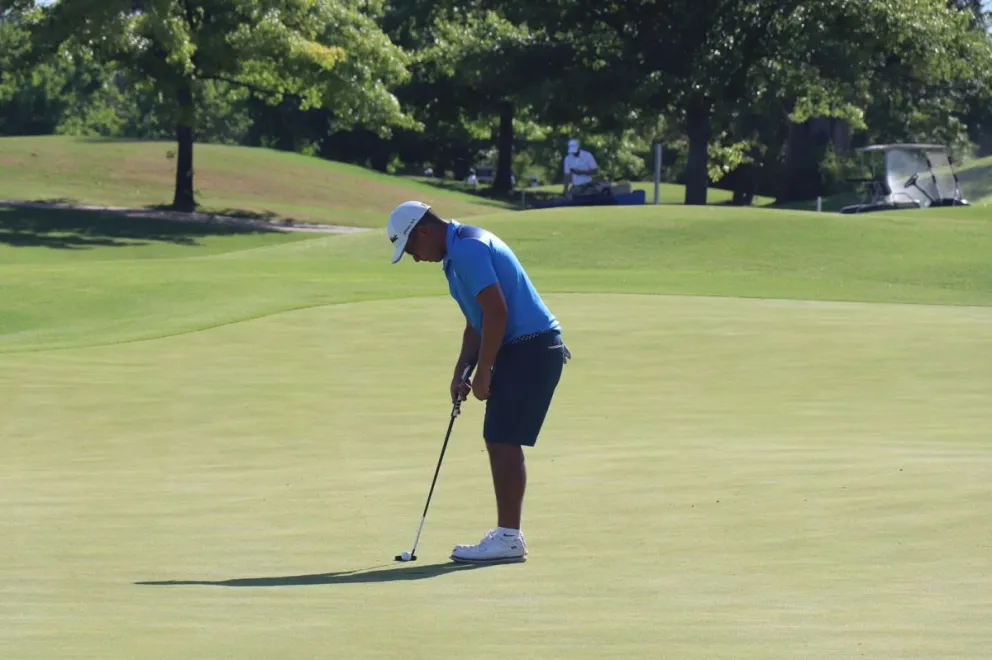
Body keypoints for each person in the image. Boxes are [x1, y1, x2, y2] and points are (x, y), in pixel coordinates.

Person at [386, 200, 571, 564]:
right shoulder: (455, 257)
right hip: (522, 347)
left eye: (410, 248)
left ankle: (508, 538)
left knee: (502, 438)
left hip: (531, 347)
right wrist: (463, 370)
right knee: (499, 437)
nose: (414, 257)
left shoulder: (468, 249)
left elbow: (497, 311)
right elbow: (477, 321)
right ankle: (508, 534)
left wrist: (485, 369)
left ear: (423, 231)